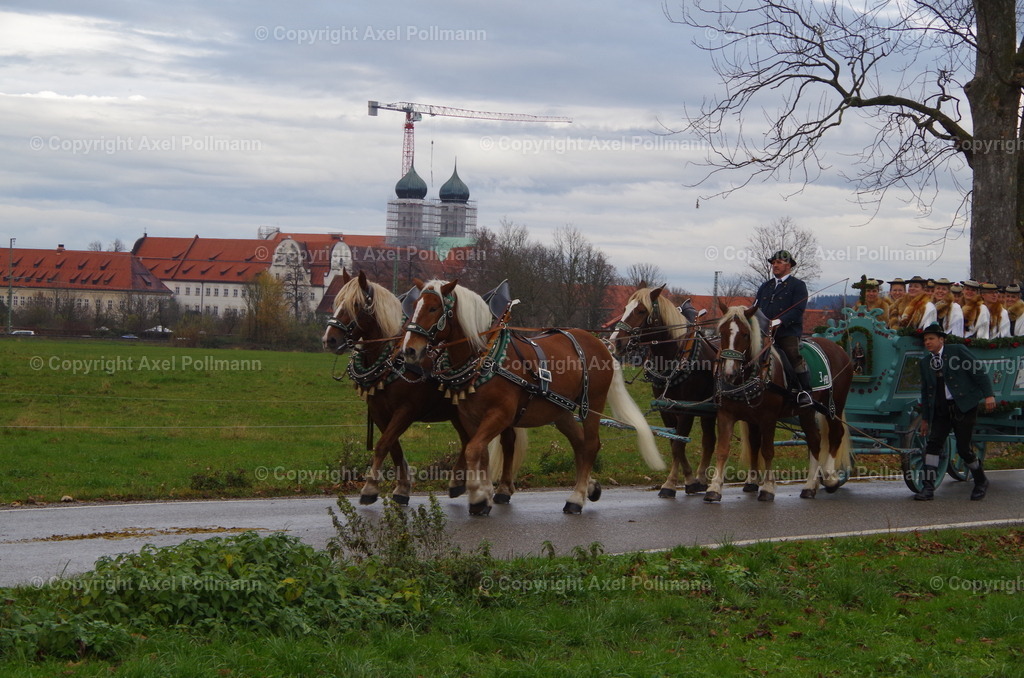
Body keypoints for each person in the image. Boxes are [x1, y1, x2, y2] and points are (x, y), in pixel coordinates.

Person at [915, 323, 996, 501]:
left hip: (964, 406)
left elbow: (979, 371)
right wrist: (925, 419)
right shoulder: (925, 362)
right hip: (941, 409)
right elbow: (926, 392)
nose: (927, 342)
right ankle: (928, 487)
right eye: (925, 340)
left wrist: (988, 395)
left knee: (963, 448)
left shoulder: (957, 351)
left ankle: (980, 481)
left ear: (941, 340)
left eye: (931, 339)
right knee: (933, 446)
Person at [755, 249, 812, 407]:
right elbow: (755, 307)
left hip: (787, 332)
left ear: (789, 265)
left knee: (792, 355)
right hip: (763, 332)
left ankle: (804, 391)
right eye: (773, 262)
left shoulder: (798, 286)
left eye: (779, 262)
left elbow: (798, 310)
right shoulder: (765, 286)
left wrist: (779, 321)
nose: (775, 265)